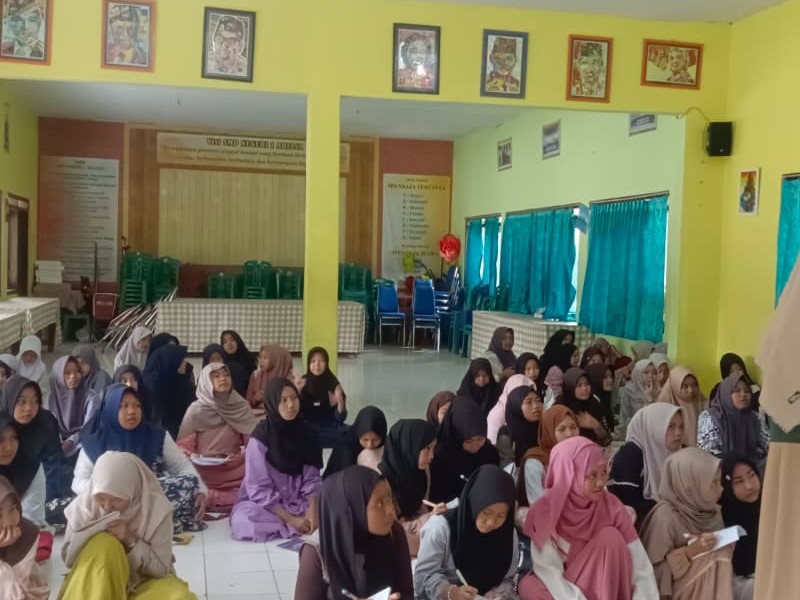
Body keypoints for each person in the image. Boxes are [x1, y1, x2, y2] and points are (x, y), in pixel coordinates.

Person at [519, 436, 658, 600]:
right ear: (569, 474)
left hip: (606, 589)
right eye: (592, 476)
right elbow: (550, 572)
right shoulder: (544, 512)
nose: (600, 482)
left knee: (610, 538)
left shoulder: (611, 506)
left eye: (603, 472)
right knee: (530, 587)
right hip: (565, 587)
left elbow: (639, 564)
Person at [58, 452, 197, 600]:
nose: (107, 507)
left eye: (117, 500)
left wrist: (131, 540)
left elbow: (161, 570)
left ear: (133, 491)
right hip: (98, 583)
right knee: (104, 543)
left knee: (179, 597)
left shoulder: (157, 511)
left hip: (143, 583)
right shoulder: (84, 507)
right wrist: (89, 538)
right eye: (101, 498)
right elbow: (68, 559)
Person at [74, 384, 207, 533]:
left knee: (188, 482)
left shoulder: (156, 435)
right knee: (79, 505)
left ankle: (139, 523)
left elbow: (180, 465)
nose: (132, 411)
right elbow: (78, 481)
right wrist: (108, 492)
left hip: (147, 498)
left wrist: (200, 490)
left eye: (137, 406)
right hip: (110, 504)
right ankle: (146, 523)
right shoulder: (94, 442)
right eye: (124, 406)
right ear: (110, 409)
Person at [295, 466, 412, 600]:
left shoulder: (394, 532)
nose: (391, 510)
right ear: (354, 510)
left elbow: (407, 592)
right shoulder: (315, 551)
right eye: (380, 504)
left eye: (389, 498)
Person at [230, 377, 322, 541]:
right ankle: (292, 524)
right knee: (243, 519)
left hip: (299, 500)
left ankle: (302, 521)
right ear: (272, 403)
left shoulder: (308, 433)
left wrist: (312, 513)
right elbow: (258, 488)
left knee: (334, 508)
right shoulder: (260, 438)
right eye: (283, 400)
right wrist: (291, 520)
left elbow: (312, 479)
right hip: (269, 506)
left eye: (294, 398)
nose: (291, 405)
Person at [639, 447, 734, 600]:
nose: (721, 489)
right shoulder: (666, 517)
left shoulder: (711, 510)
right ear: (690, 485)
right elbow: (652, 575)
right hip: (673, 593)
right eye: (713, 483)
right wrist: (690, 552)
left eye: (719, 481)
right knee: (716, 556)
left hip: (707, 590)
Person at [415, 464, 519, 600]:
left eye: (501, 516)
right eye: (486, 512)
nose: (491, 522)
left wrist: (497, 593)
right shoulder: (441, 527)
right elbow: (423, 577)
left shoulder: (507, 533)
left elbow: (509, 578)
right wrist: (450, 592)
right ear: (474, 502)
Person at [176, 363, 258, 514]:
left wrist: (241, 457)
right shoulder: (196, 410)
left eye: (226, 375)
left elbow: (254, 444)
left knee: (258, 469)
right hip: (204, 471)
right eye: (216, 376)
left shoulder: (241, 406)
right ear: (206, 382)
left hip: (234, 470)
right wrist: (194, 457)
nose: (223, 379)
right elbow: (183, 448)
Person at [608, 403, 684, 528]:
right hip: (635, 526)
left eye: (681, 427)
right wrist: (669, 506)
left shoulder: (677, 453)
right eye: (671, 426)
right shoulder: (630, 455)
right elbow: (627, 503)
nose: (678, 433)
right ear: (654, 427)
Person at [0, 377, 60, 527]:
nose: (29, 408)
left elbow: (55, 460)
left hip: (27, 514)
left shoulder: (44, 423)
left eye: (35, 401)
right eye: (22, 401)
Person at [378, 419, 442, 557]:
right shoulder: (382, 484)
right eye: (427, 449)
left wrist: (432, 517)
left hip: (417, 536)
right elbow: (391, 530)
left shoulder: (422, 471)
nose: (432, 456)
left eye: (434, 448)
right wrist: (430, 517)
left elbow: (421, 508)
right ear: (409, 447)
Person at [515, 405, 579, 526]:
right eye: (562, 429)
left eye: (573, 427)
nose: (569, 434)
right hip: (547, 519)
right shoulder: (535, 462)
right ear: (549, 431)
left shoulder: (580, 455)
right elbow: (538, 504)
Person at [428, 397, 499, 504]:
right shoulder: (438, 458)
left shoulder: (490, 453)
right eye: (469, 440)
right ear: (456, 435)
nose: (475, 445)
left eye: (480, 439)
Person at [46, 356, 99, 501]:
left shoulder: (91, 397)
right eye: (67, 373)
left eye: (77, 371)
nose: (73, 376)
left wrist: (71, 441)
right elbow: (47, 426)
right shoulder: (51, 398)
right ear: (58, 376)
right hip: (57, 447)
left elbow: (88, 428)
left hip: (82, 446)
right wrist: (57, 442)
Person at [698, 374, 769, 462]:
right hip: (721, 467)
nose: (743, 394)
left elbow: (767, 445)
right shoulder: (710, 416)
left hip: (751, 466)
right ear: (726, 393)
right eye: (737, 391)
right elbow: (708, 453)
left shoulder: (754, 417)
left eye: (747, 391)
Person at [0, 474, 49, 599]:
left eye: (13, 509)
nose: (8, 521)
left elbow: (19, 590)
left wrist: (13, 552)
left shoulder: (27, 533)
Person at [720, 455, 761, 600]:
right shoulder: (721, 520)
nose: (749, 486)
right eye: (739, 481)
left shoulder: (771, 503)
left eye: (752, 475)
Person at [143, 344, 194, 440]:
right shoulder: (154, 386)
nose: (185, 363)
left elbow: (190, 402)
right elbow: (159, 419)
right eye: (181, 361)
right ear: (170, 362)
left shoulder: (179, 376)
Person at [299, 347, 346, 448]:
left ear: (327, 363)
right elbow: (296, 414)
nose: (317, 365)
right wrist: (297, 392)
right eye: (313, 361)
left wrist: (340, 403)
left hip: (328, 426)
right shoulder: (303, 382)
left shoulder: (333, 384)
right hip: (307, 425)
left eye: (322, 361)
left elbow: (341, 418)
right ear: (308, 363)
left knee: (349, 434)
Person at [555, 367, 613, 445]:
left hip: (592, 449)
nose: (585, 388)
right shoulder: (560, 407)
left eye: (587, 384)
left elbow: (608, 440)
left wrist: (596, 425)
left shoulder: (593, 403)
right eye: (579, 385)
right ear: (570, 386)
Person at [324, 406, 386, 477]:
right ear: (358, 434)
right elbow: (346, 478)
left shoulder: (386, 445)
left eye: (375, 440)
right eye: (365, 439)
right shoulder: (346, 449)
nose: (370, 445)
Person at [658, 366, 708, 446]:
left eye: (694, 385)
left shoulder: (705, 404)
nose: (691, 390)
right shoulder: (662, 408)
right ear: (675, 386)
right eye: (685, 386)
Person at [486, 374, 534, 445]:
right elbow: (493, 444)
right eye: (520, 393)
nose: (524, 396)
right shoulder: (497, 414)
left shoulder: (534, 407)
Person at [503, 385, 543, 465]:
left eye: (538, 401)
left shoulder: (547, 427)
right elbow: (507, 467)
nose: (536, 406)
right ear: (516, 406)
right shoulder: (506, 435)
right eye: (529, 402)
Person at [618, 359, 659, 433]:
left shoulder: (659, 391)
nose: (650, 376)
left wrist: (651, 398)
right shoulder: (628, 391)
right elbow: (624, 419)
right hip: (634, 432)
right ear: (638, 373)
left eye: (654, 373)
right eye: (646, 372)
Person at [220, 330, 257, 397]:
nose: (229, 344)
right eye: (225, 342)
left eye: (232, 340)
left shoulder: (249, 359)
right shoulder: (221, 362)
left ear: (238, 341)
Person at [585, 362, 617, 430]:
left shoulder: (604, 396)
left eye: (611, 376)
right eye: (605, 377)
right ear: (596, 378)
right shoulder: (592, 402)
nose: (610, 380)